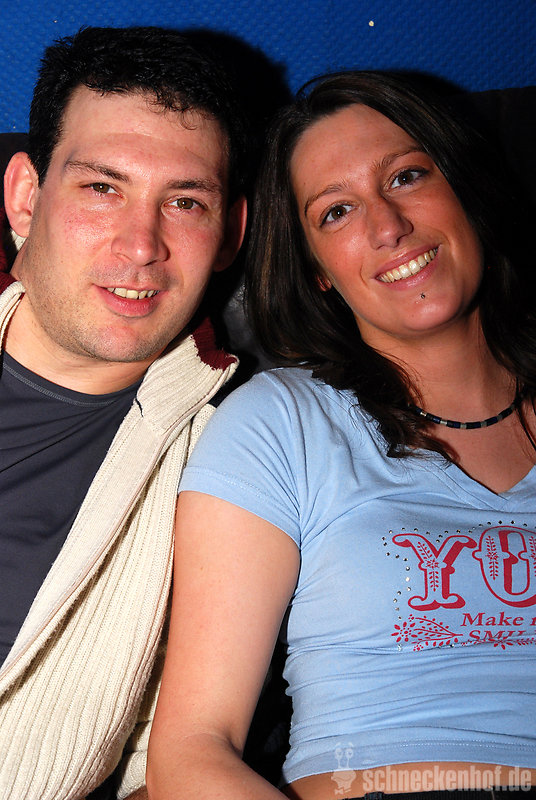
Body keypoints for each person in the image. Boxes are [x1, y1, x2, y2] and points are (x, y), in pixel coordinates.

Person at [146, 71, 536, 800]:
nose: (387, 226)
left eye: (407, 176)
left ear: (465, 190)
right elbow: (192, 752)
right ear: (318, 271)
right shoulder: (282, 424)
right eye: (337, 212)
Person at [0, 25, 247, 800]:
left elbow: (167, 764)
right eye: (102, 188)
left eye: (185, 202)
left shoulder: (237, 457)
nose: (142, 245)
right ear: (26, 198)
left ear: (230, 233)